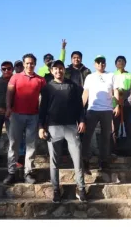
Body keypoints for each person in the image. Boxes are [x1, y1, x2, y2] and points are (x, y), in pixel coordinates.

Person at [38, 59, 87, 203]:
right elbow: (43, 109)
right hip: (53, 127)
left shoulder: (73, 86)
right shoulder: (47, 88)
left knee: (77, 159)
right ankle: (55, 190)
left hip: (71, 126)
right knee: (54, 162)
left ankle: (81, 188)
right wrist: (41, 126)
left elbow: (80, 107)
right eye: (55, 69)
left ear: (64, 70)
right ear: (51, 71)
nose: (58, 71)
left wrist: (82, 120)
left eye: (60, 68)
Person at [4, 53, 44, 185]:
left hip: (33, 116)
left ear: (35, 64)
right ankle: (11, 173)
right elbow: (9, 92)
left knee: (31, 146)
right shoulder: (15, 77)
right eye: (27, 63)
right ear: (24, 64)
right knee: (13, 144)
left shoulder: (40, 80)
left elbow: (45, 98)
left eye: (32, 63)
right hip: (16, 115)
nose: (29, 65)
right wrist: (8, 107)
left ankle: (28, 172)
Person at [81, 55, 119, 172]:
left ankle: (103, 161)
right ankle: (84, 161)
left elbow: (115, 91)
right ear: (94, 64)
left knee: (105, 137)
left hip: (107, 110)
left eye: (103, 62)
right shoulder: (90, 77)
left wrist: (117, 105)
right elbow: (85, 93)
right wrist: (80, 110)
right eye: (98, 62)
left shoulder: (111, 75)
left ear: (105, 64)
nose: (100, 64)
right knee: (87, 136)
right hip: (92, 110)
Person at [113, 56, 131, 154]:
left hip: (127, 104)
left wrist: (126, 96)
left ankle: (130, 150)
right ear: (115, 64)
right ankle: (114, 150)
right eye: (118, 61)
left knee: (129, 127)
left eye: (122, 61)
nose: (120, 62)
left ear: (125, 63)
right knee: (114, 128)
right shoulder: (112, 75)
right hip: (114, 105)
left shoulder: (130, 75)